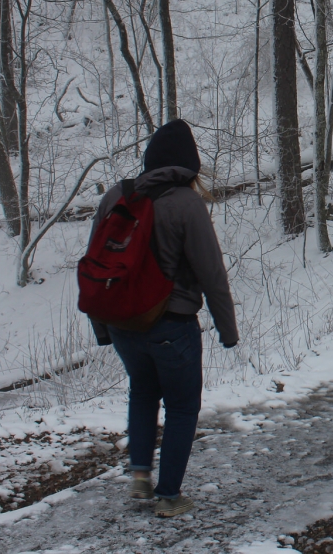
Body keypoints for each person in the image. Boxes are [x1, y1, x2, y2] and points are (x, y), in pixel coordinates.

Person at [89, 119, 238, 518]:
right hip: (172, 325)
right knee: (183, 406)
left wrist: (102, 327)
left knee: (142, 391)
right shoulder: (186, 203)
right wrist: (227, 329)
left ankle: (140, 474)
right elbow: (212, 273)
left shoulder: (116, 197)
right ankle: (168, 495)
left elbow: (95, 267)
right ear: (188, 165)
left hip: (124, 325)